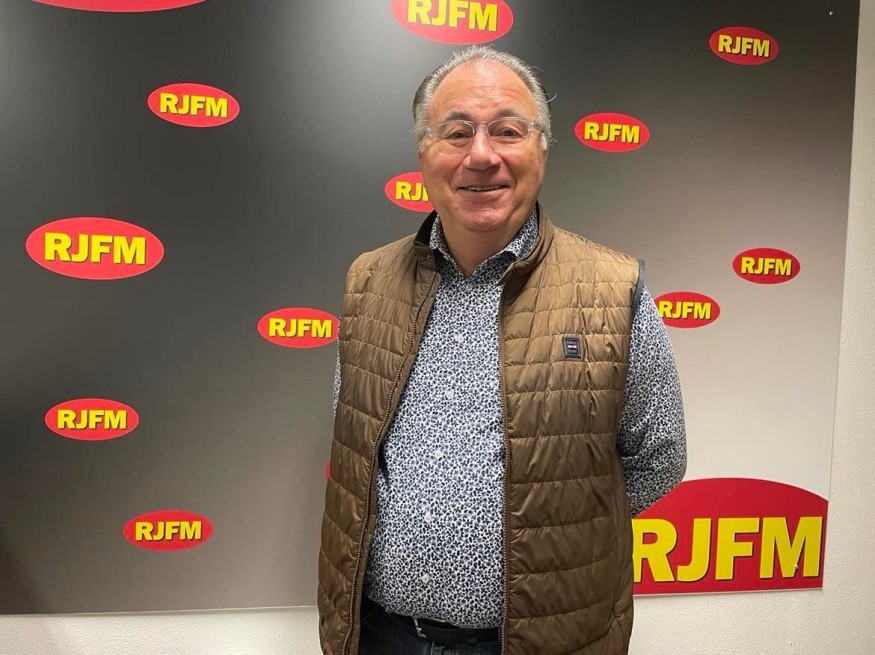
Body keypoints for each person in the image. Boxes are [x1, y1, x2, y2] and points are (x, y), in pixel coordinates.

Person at [318, 46, 686, 655]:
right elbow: (355, 450)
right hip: (383, 635)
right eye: (457, 132)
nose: (482, 155)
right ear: (424, 153)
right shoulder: (369, 281)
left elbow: (659, 459)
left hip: (544, 642)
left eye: (508, 131)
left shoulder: (613, 289)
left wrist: (567, 535)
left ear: (542, 148)